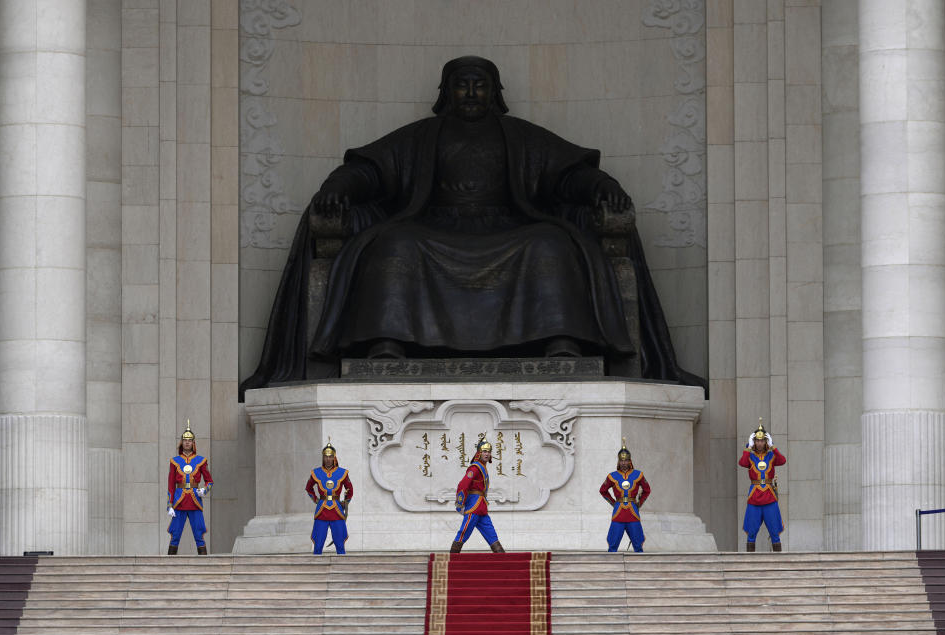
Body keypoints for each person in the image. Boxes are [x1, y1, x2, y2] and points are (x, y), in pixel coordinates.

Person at [240, 55, 706, 398]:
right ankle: (388, 343)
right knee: (396, 244)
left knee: (549, 244)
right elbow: (369, 170)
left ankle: (560, 342)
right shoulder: (421, 137)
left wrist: (600, 185)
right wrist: (337, 186)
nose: (470, 93)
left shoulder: (519, 136)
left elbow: (568, 174)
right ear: (446, 93)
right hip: (433, 228)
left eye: (479, 85)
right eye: (461, 85)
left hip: (508, 228)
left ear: (494, 92)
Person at [739, 420, 786, 552]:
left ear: (766, 441)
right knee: (751, 532)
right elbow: (742, 463)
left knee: (774, 531)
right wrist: (748, 447)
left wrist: (773, 447)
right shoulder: (750, 456)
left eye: (762, 440)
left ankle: (779, 564)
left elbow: (782, 461)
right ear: (755, 442)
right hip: (755, 496)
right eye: (757, 440)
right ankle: (750, 564)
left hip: (769, 496)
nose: (760, 443)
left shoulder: (771, 455)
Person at [166, 422, 213, 555]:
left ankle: (205, 568)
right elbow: (170, 484)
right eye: (185, 440)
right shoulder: (174, 461)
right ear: (182, 442)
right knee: (175, 535)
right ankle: (169, 568)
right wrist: (169, 504)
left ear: (193, 443)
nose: (187, 443)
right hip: (179, 502)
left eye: (189, 440)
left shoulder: (201, 460)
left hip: (195, 501)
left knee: (199, 534)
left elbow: (209, 481)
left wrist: (204, 490)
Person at [451, 439, 504, 553]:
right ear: (479, 452)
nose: (487, 454)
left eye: (489, 451)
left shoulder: (482, 467)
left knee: (491, 533)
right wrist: (460, 504)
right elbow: (463, 485)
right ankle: (452, 557)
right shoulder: (475, 468)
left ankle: (502, 558)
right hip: (474, 505)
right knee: (464, 531)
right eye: (484, 451)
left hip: (481, 506)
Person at [599, 438, 650, 552]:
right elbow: (603, 490)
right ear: (618, 461)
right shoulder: (612, 476)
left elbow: (647, 490)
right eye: (621, 461)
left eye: (626, 460)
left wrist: (639, 503)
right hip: (618, 512)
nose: (624, 463)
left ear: (630, 461)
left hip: (633, 512)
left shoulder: (638, 475)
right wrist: (613, 502)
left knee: (638, 544)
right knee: (613, 545)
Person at [305, 441, 353, 554]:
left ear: (334, 457)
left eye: (330, 456)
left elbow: (350, 489)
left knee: (340, 544)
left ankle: (342, 569)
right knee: (318, 544)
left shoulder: (342, 472)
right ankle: (316, 569)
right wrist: (316, 500)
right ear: (323, 457)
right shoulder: (316, 472)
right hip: (322, 510)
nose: (328, 459)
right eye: (326, 456)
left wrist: (345, 503)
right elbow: (308, 488)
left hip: (337, 509)